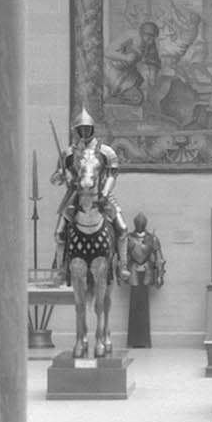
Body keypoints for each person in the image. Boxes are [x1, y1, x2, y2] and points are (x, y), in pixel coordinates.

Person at [49, 108, 125, 359]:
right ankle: (62, 268)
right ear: (76, 130)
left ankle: (122, 264)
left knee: (122, 227)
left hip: (101, 194)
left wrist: (104, 192)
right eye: (79, 129)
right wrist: (62, 175)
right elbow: (57, 176)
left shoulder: (105, 151)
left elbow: (113, 173)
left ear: (92, 129)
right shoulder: (69, 152)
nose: (83, 132)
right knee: (60, 231)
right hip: (76, 195)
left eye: (86, 128)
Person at [120, 209, 165, 350]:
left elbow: (159, 258)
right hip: (133, 272)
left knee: (143, 307)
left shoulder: (152, 238)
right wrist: (122, 271)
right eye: (138, 222)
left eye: (142, 222)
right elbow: (123, 257)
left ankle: (144, 340)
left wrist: (159, 275)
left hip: (146, 272)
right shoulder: (127, 238)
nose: (140, 223)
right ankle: (133, 340)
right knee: (134, 307)